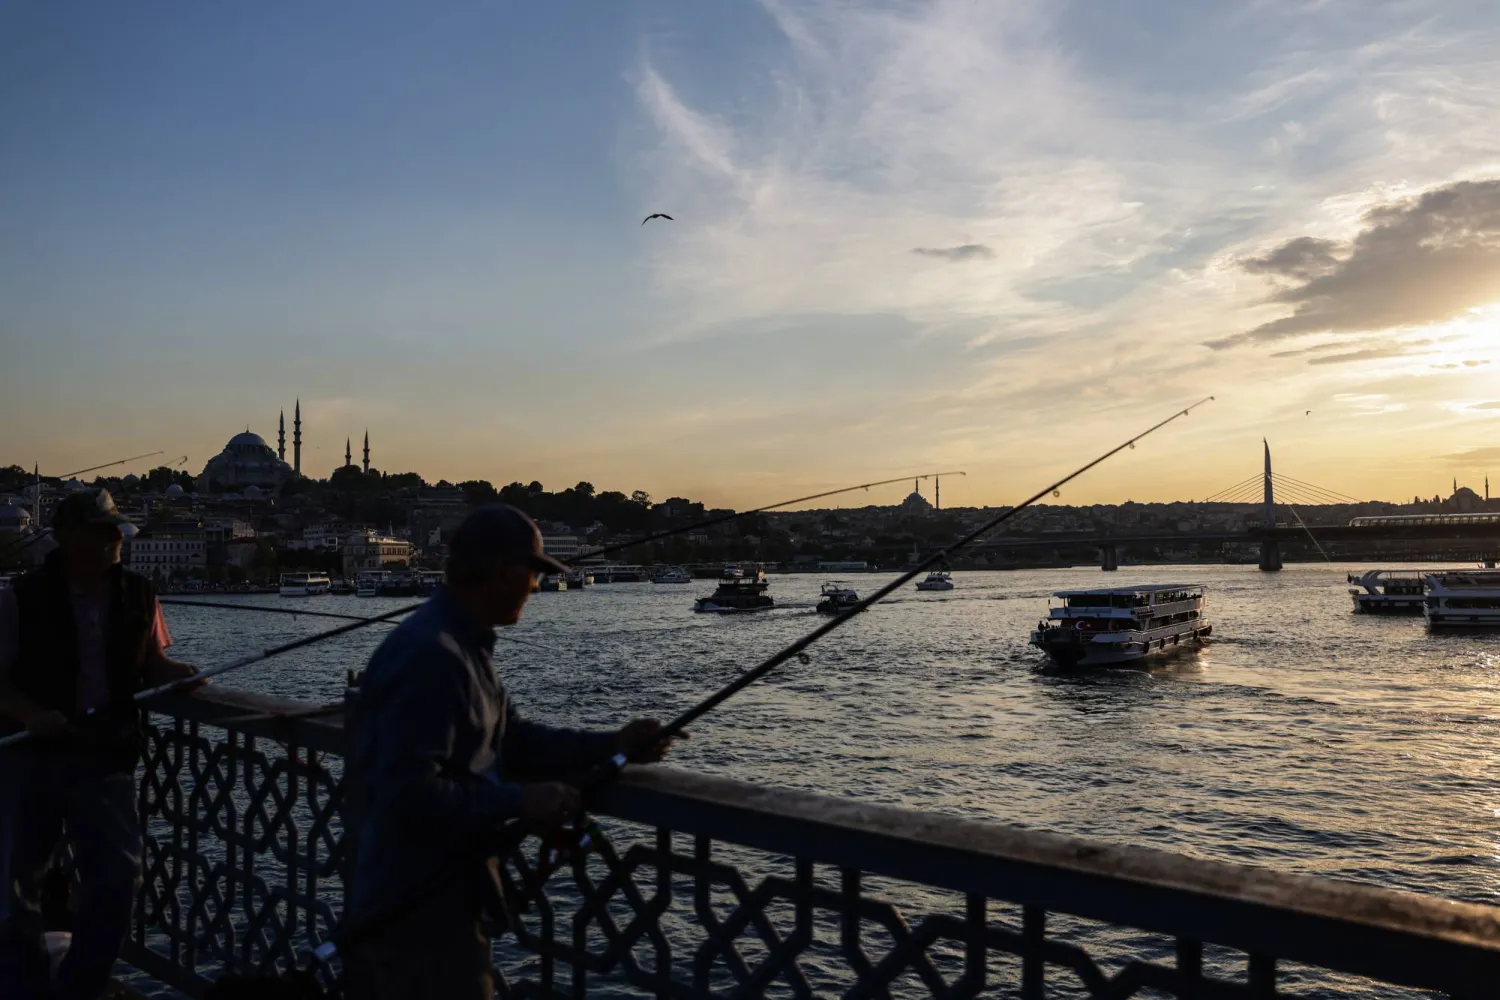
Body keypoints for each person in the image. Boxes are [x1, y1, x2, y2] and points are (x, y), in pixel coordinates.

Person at [347, 504, 674, 1000]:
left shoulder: (460, 644)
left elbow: (512, 741)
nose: (537, 587)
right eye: (534, 573)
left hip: (439, 903)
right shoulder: (432, 657)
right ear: (502, 571)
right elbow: (407, 795)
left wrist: (614, 744)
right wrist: (518, 802)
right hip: (416, 919)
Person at [0, 489, 200, 1000]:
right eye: (102, 530)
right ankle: (23, 988)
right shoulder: (21, 597)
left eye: (116, 529)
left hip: (103, 755)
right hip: (32, 755)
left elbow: (152, 661)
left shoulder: (140, 593)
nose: (116, 538)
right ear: (68, 539)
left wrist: (182, 676)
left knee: (115, 883)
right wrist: (30, 714)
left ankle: (75, 990)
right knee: (14, 889)